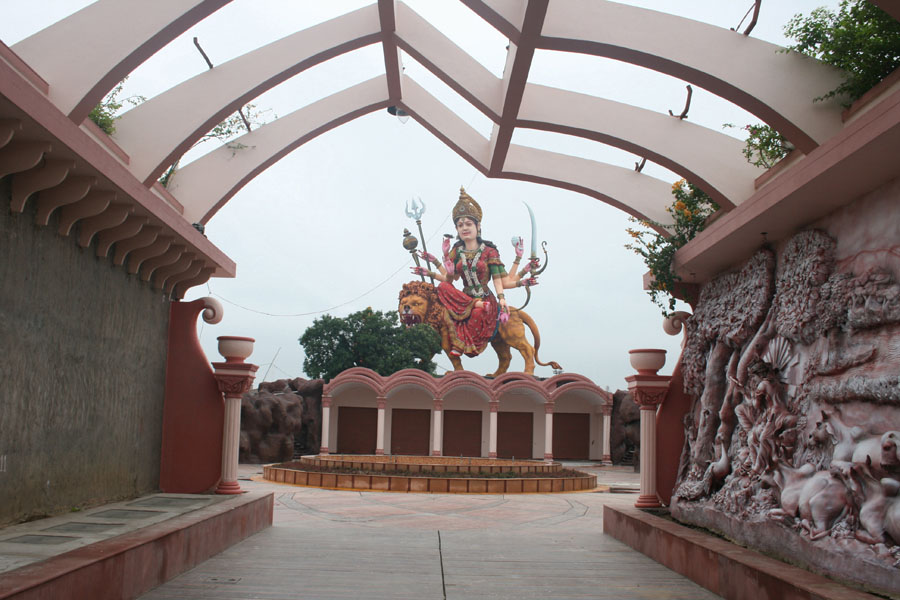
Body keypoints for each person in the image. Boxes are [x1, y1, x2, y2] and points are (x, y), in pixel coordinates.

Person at [411, 188, 535, 358]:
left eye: (468, 224)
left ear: (478, 226)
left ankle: (465, 341)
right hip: (464, 299)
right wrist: (437, 265)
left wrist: (502, 299)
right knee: (442, 287)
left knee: (477, 312)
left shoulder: (489, 251)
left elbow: (500, 281)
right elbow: (450, 279)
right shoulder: (456, 250)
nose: (464, 228)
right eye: (460, 225)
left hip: (485, 299)